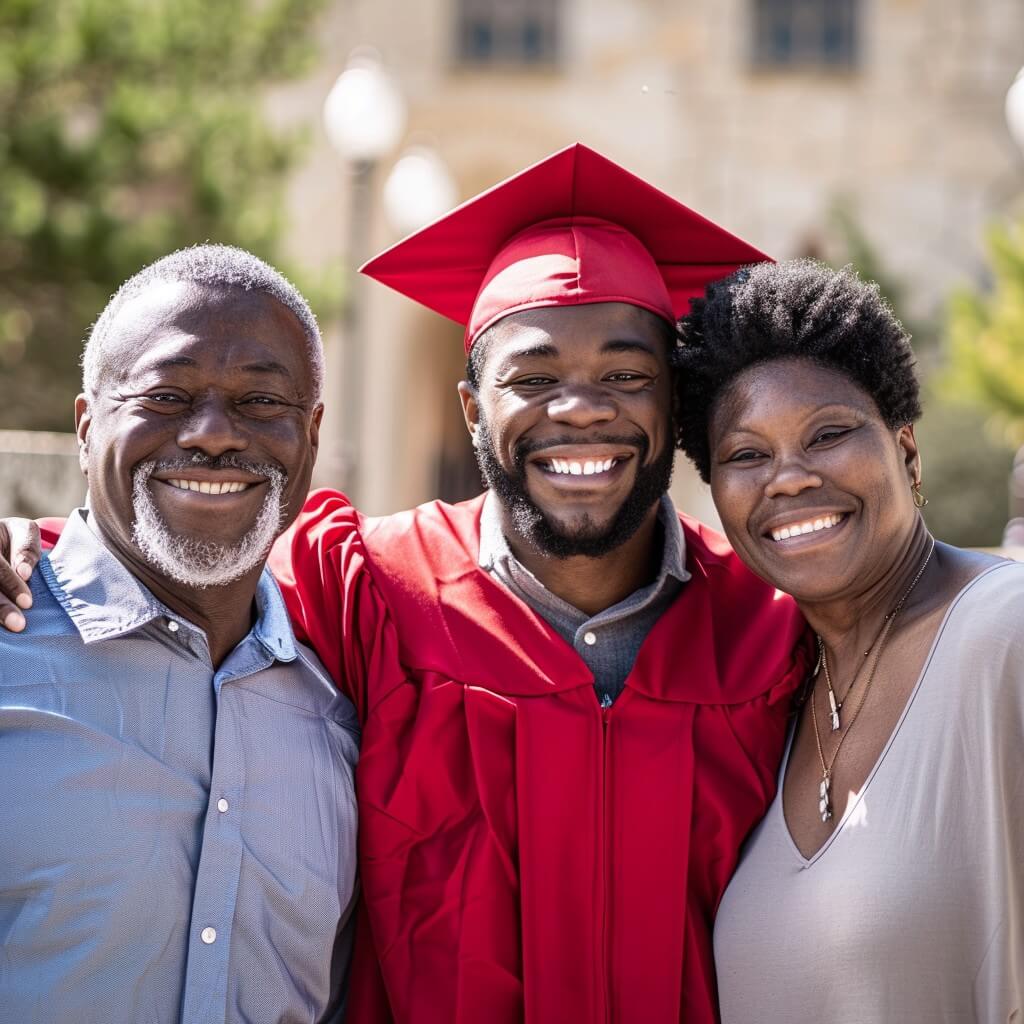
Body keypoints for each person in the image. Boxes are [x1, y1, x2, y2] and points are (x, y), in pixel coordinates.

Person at [0, 146, 809, 1024]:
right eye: (534, 378)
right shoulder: (367, 585)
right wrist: (34, 545)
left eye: (625, 376)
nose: (580, 409)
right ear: (473, 409)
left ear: (673, 405)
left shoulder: (773, 626)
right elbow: (185, 551)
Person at [0, 246, 360, 1023]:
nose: (213, 435)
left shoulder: (339, 719)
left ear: (313, 434)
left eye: (263, 401)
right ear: (88, 424)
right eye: (166, 395)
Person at [673, 258, 1024, 1022]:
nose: (789, 478)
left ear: (906, 450)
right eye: (746, 455)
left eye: (827, 434)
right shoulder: (786, 695)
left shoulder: (1004, 637)